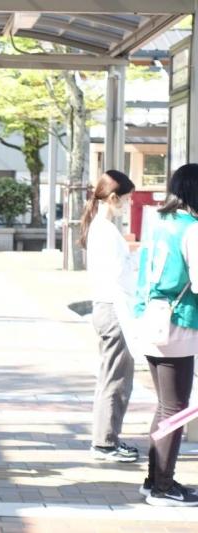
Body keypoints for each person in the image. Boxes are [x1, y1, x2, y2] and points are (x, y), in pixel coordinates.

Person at [133, 163, 198, 506]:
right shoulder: (192, 228)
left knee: (166, 406)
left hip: (152, 318)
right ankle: (162, 486)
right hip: (178, 324)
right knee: (177, 408)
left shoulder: (159, 223)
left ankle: (155, 480)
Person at [79, 170, 140, 463]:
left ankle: (106, 439)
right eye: (127, 199)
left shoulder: (99, 227)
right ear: (114, 198)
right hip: (114, 309)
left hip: (107, 308)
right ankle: (105, 442)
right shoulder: (104, 229)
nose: (128, 205)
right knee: (116, 379)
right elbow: (119, 277)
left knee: (112, 376)